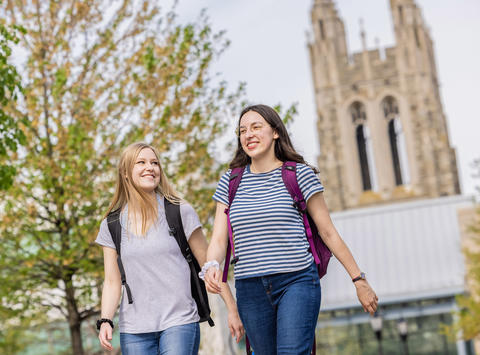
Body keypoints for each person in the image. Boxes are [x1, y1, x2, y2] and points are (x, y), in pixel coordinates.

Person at [202, 104, 378, 355]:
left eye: (256, 127)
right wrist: (211, 266)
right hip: (250, 288)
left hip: (296, 281)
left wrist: (359, 280)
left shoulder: (299, 175)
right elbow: (219, 239)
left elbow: (328, 233)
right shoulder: (230, 181)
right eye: (242, 130)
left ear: (275, 132)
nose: (248, 134)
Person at [96, 142, 244, 355]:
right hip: (134, 331)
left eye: (154, 163)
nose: (150, 167)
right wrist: (106, 320)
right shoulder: (111, 224)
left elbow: (209, 265)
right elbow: (112, 281)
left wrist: (232, 309)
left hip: (179, 322)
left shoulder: (179, 211)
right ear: (126, 173)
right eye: (141, 162)